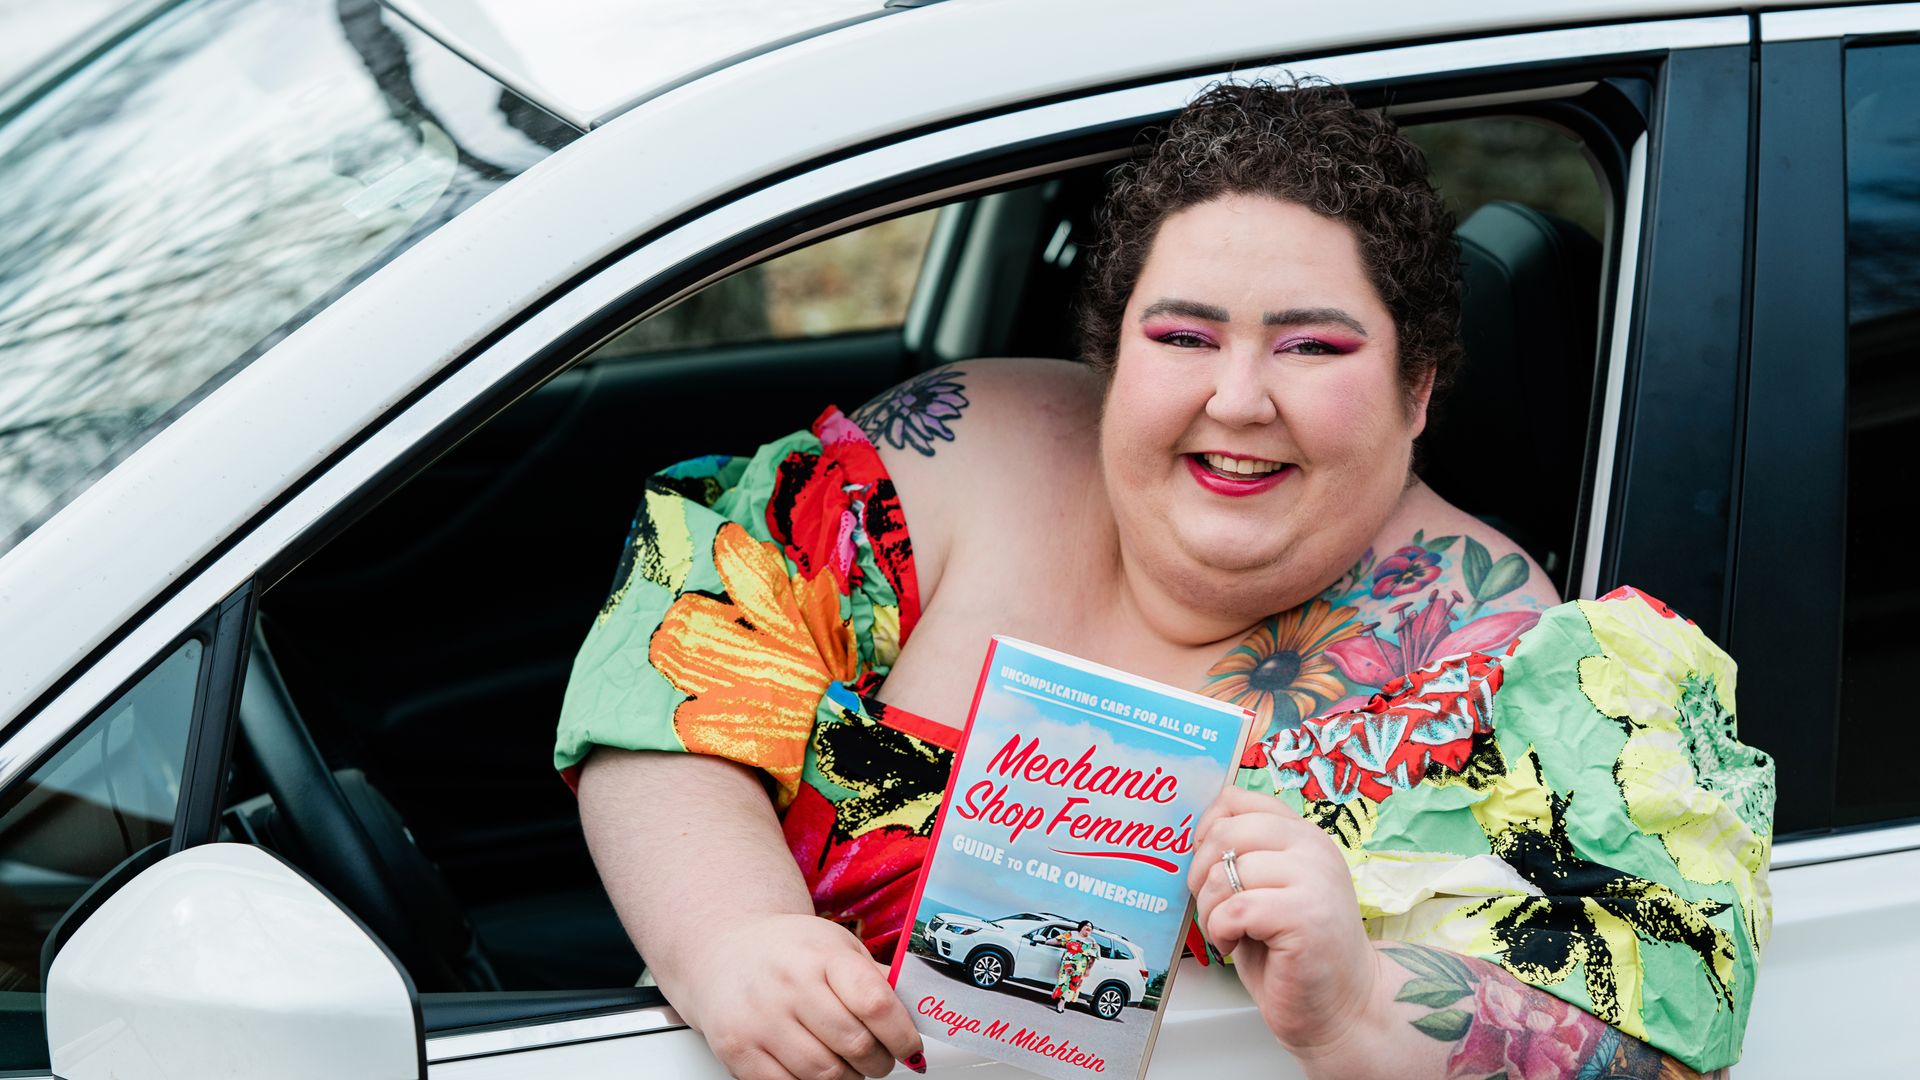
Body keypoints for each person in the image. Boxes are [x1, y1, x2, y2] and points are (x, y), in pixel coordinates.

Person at [555, 78, 1772, 1080]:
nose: (1236, 399)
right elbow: (669, 665)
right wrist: (731, 942)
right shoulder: (950, 452)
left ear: (1418, 386)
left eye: (1313, 345)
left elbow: (1658, 1041)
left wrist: (1351, 1005)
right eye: (1183, 336)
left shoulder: (1519, 664)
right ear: (1113, 350)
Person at [1044, 921, 1099, 1014]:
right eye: (1087, 925)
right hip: (1068, 963)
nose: (1089, 928)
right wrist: (1046, 942)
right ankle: (1058, 999)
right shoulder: (1072, 934)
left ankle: (1062, 1003)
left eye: (1091, 927)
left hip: (1081, 966)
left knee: (1072, 985)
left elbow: (1093, 958)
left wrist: (1088, 970)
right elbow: (1058, 940)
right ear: (1081, 926)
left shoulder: (1091, 941)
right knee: (1063, 981)